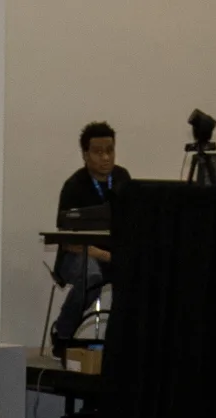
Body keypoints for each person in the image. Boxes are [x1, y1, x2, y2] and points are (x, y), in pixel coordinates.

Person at [52, 121, 130, 352]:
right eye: (98, 152)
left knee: (140, 275)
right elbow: (68, 242)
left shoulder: (123, 178)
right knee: (91, 276)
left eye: (110, 150)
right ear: (85, 155)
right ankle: (62, 335)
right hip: (78, 256)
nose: (105, 157)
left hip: (112, 256)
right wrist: (101, 254)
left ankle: (121, 342)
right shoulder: (74, 187)